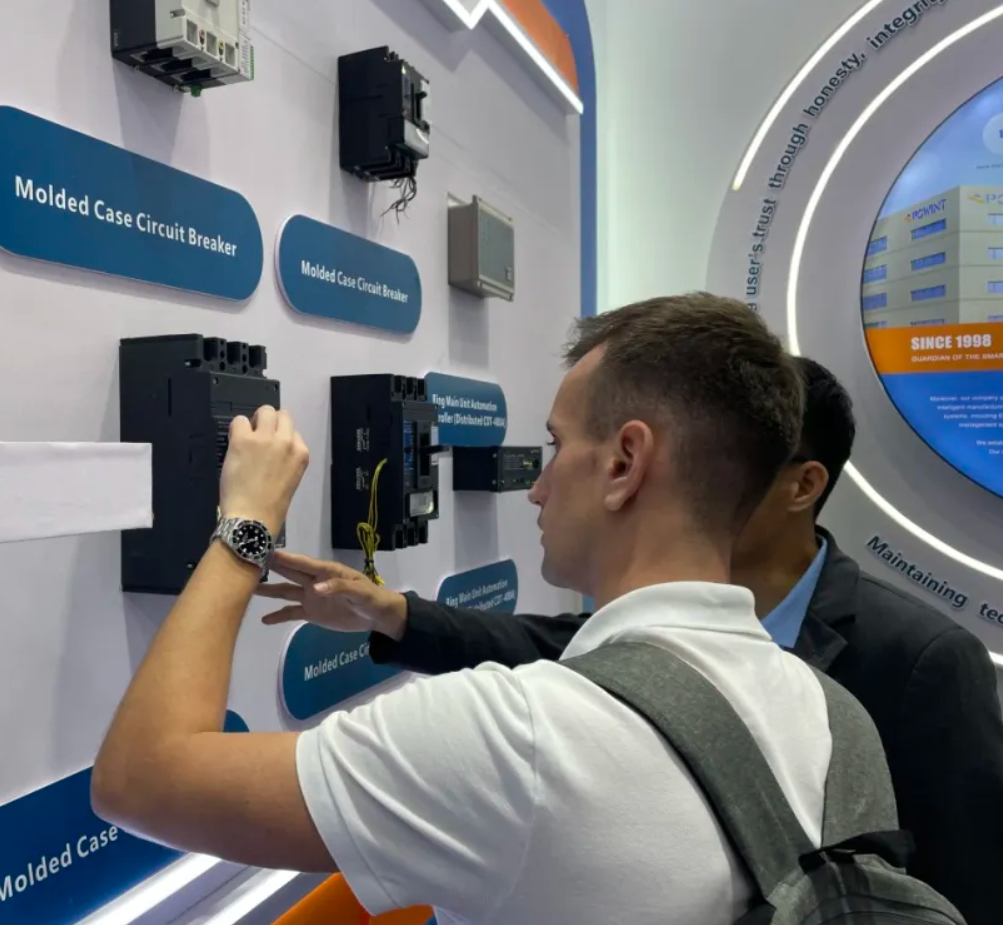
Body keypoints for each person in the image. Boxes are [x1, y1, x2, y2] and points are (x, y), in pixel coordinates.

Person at [92, 294, 837, 924]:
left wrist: (246, 525)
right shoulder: (827, 711)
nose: (537, 488)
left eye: (556, 445)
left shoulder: (522, 740)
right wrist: (392, 613)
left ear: (625, 463)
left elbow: (141, 781)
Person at [262, 356, 1003, 925]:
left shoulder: (924, 663)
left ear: (802, 485)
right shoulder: (648, 643)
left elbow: (967, 886)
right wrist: (395, 614)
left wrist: (246, 526)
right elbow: (546, 642)